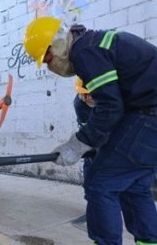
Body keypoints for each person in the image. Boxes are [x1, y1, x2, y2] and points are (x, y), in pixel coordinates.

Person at [23, 17, 157, 245]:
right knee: (134, 186)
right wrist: (94, 143)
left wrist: (79, 143)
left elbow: (109, 107)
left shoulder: (84, 51)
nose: (49, 65)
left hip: (149, 117)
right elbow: (116, 106)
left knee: (100, 182)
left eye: (46, 58)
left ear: (56, 45)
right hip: (147, 117)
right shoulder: (94, 42)